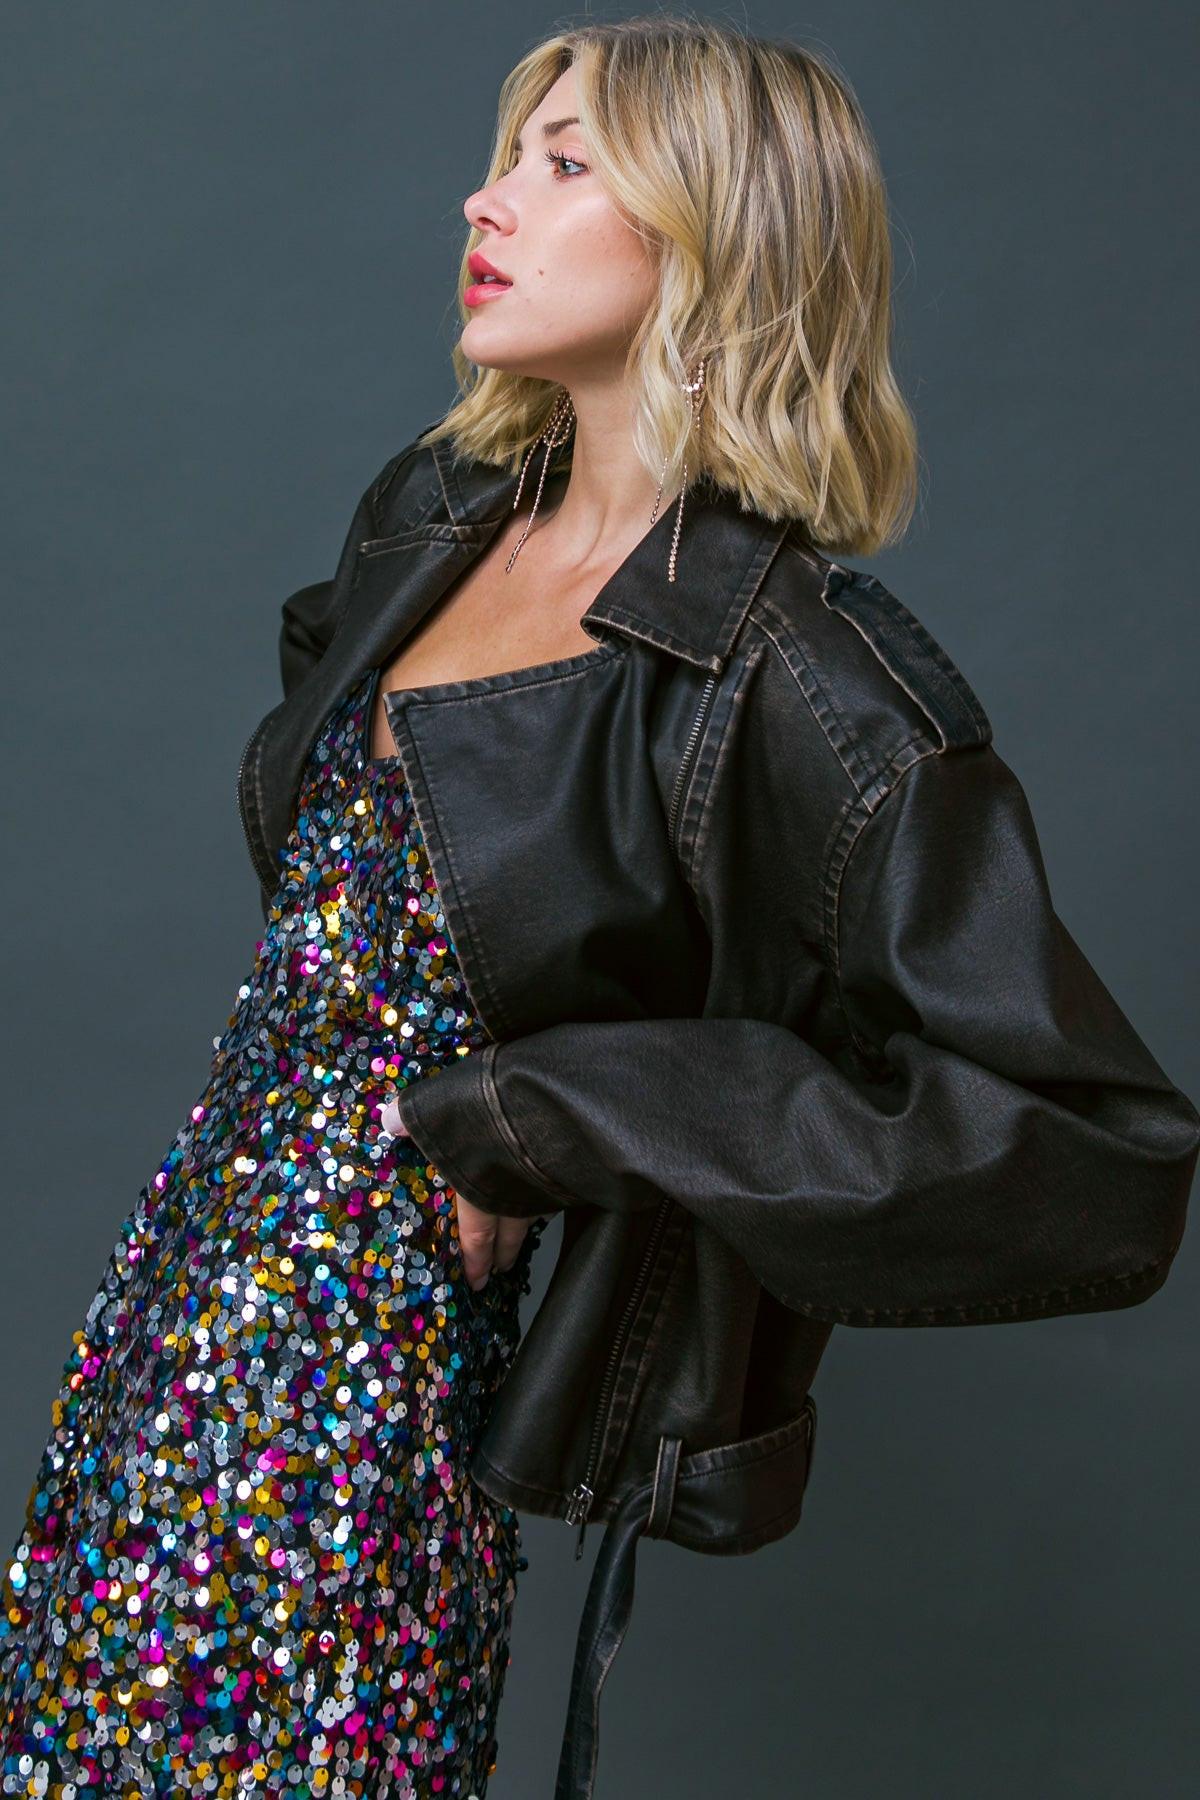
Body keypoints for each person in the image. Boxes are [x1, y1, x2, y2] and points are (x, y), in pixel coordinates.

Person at [3, 16, 1198, 1800]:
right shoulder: (432, 516)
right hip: (168, 1316)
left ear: (717, 234)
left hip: (359, 1415)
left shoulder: (794, 674)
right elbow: (386, 882)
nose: (485, 199)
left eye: (565, 165)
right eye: (512, 153)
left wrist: (567, 1109)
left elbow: (1095, 1153)